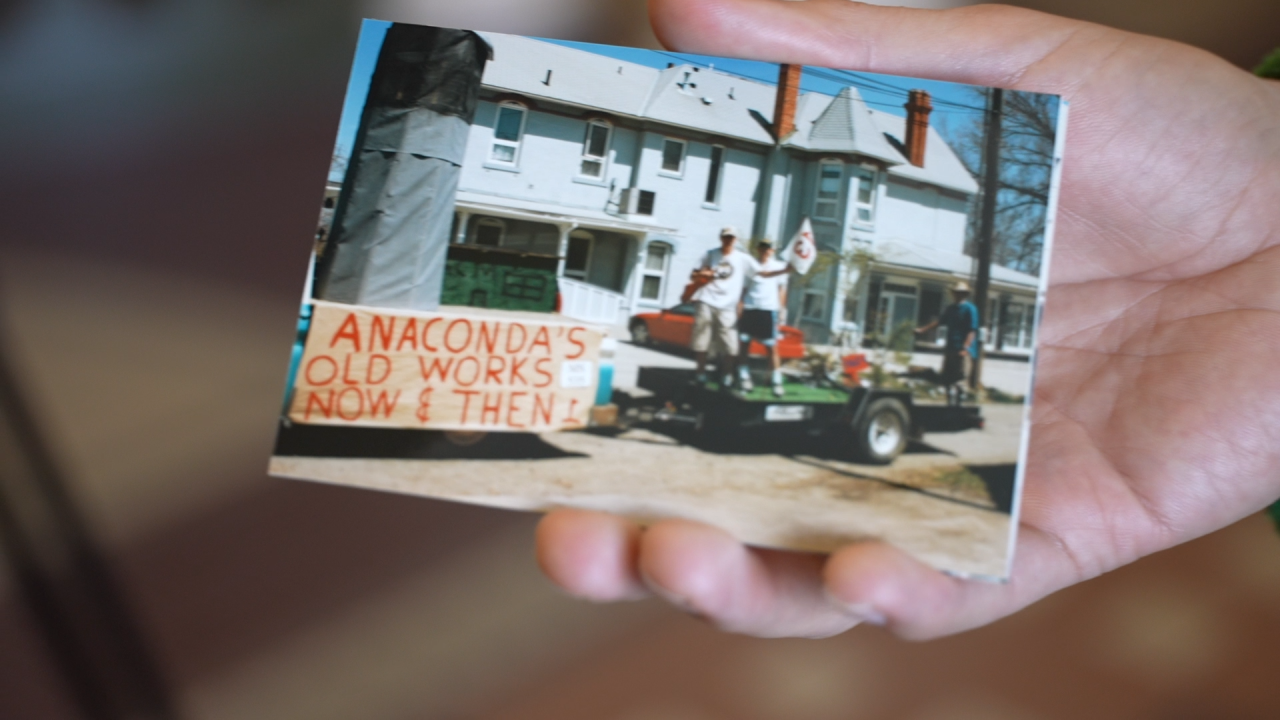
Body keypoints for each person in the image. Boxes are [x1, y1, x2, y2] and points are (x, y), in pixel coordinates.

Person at [535, 0, 1280, 641]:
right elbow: (749, 273)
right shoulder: (742, 264)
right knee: (733, 355)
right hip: (752, 326)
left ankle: (768, 388)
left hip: (791, 333)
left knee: (770, 358)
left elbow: (791, 270)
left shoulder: (845, 275)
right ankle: (731, 391)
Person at [689, 227, 758, 387]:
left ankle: (727, 374)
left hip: (728, 306)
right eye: (726, 237)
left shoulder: (742, 258)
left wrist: (784, 269)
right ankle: (700, 373)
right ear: (721, 238)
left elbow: (759, 273)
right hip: (706, 300)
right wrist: (702, 275)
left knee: (731, 345)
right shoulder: (710, 254)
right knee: (702, 340)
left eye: (731, 238)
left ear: (736, 240)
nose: (728, 240)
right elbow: (693, 275)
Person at [736, 240, 789, 396]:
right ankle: (744, 377)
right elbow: (743, 289)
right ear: (758, 249)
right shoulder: (750, 266)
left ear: (772, 251)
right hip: (750, 308)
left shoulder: (779, 266)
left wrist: (782, 309)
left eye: (769, 248)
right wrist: (740, 308)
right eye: (763, 248)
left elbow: (781, 290)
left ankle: (777, 381)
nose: (766, 251)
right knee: (744, 344)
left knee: (771, 347)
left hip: (768, 310)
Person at [914, 282, 979, 404]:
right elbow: (939, 322)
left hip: (963, 351)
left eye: (960, 293)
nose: (957, 295)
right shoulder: (951, 309)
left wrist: (965, 348)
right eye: (956, 293)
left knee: (960, 382)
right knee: (947, 380)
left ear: (965, 294)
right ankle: (950, 406)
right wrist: (923, 329)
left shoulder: (970, 309)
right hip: (950, 349)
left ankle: (959, 408)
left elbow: (972, 331)